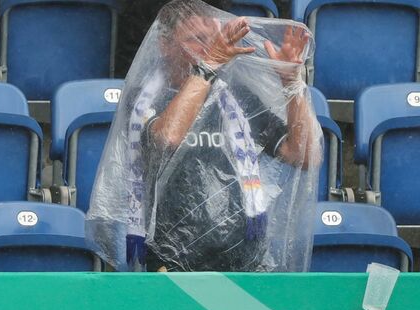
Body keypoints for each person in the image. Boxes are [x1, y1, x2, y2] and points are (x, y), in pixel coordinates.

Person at [86, 0, 322, 272]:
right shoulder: (142, 98)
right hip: (171, 258)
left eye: (212, 40)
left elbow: (305, 156)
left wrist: (291, 83)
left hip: (243, 257)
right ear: (165, 44)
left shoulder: (237, 95)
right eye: (196, 40)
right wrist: (208, 67)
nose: (208, 49)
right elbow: (167, 139)